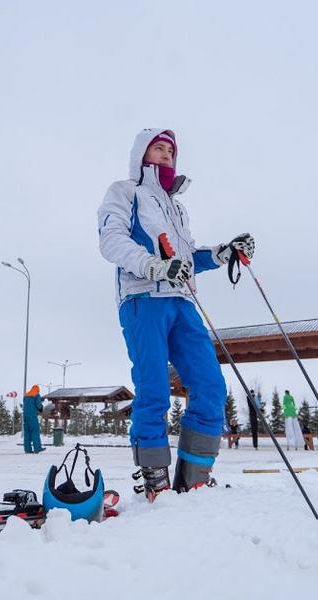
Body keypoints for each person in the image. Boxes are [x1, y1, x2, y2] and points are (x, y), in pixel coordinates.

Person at [97, 128, 255, 500]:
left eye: (171, 150)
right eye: (159, 147)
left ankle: (194, 475)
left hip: (182, 301)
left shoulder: (177, 207)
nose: (166, 154)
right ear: (142, 154)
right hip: (142, 298)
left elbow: (184, 259)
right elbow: (111, 240)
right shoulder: (125, 191)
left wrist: (221, 253)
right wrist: (152, 265)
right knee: (153, 389)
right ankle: (154, 477)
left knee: (211, 385)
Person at [22, 385, 44, 454]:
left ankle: (27, 450)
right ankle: (37, 448)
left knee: (27, 433)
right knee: (35, 431)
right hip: (32, 416)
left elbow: (28, 404)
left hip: (25, 416)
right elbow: (39, 405)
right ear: (37, 390)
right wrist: (41, 408)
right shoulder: (36, 394)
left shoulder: (26, 395)